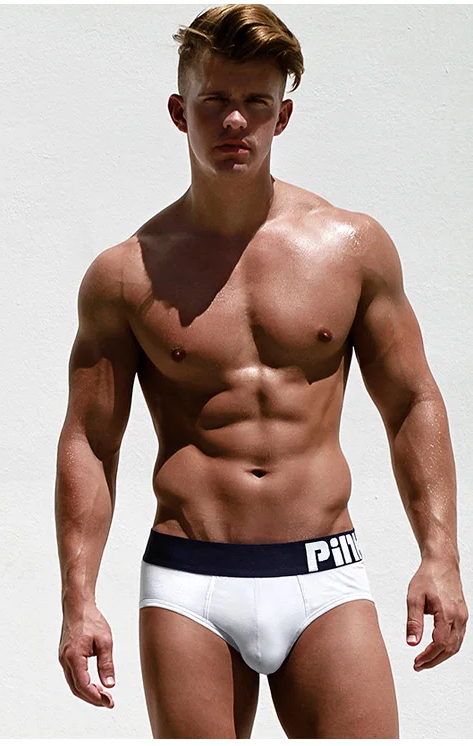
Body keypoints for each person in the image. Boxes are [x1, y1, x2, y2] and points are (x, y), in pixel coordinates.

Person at [54, 3, 467, 738]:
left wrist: (441, 555)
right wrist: (77, 600)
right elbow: (90, 439)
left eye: (257, 102)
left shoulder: (352, 247)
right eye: (215, 100)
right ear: (180, 112)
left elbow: (412, 401)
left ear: (285, 115)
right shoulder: (124, 275)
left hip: (324, 573)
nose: (236, 120)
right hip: (189, 581)